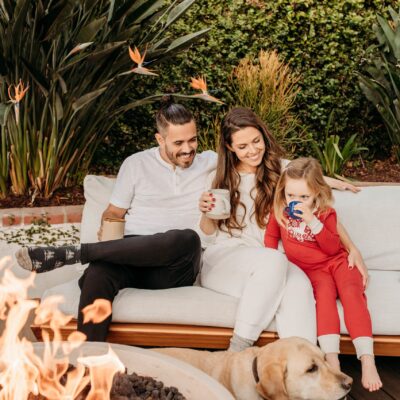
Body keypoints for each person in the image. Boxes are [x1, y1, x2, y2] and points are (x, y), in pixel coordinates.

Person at [16, 101, 217, 341]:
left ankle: (75, 253)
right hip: (132, 256)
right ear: (160, 139)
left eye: (192, 140)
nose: (188, 149)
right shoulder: (135, 164)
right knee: (98, 273)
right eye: (178, 143)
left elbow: (250, 152)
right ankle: (88, 362)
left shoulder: (211, 161)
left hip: (176, 264)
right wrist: (108, 228)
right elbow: (113, 213)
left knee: (186, 237)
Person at [196, 107, 365, 353]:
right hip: (225, 259)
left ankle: (303, 368)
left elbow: (320, 207)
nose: (252, 150)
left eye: (257, 141)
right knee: (275, 259)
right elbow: (208, 236)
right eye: (242, 147)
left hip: (270, 261)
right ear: (230, 147)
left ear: (264, 136)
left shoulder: (281, 171)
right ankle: (237, 350)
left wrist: (352, 248)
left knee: (300, 286)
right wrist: (205, 211)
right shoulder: (217, 179)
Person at [264, 157, 382, 392]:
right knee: (324, 302)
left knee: (352, 295)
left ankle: (367, 360)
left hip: (337, 262)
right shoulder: (279, 211)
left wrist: (311, 220)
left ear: (317, 193)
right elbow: (271, 238)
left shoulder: (326, 213)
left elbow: (331, 247)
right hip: (313, 272)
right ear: (283, 192)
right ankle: (332, 361)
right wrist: (270, 262)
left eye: (304, 197)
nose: (295, 202)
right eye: (291, 196)